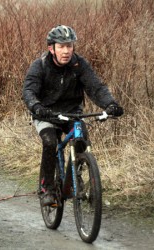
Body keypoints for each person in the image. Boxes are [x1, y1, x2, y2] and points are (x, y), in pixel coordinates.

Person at [22, 25, 124, 206]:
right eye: (61, 46)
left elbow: (96, 87)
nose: (66, 51)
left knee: (81, 138)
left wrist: (110, 104)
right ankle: (47, 189)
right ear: (51, 48)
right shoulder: (40, 65)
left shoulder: (79, 65)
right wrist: (37, 107)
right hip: (46, 114)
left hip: (71, 113)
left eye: (69, 46)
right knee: (50, 142)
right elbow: (29, 90)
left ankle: (75, 178)